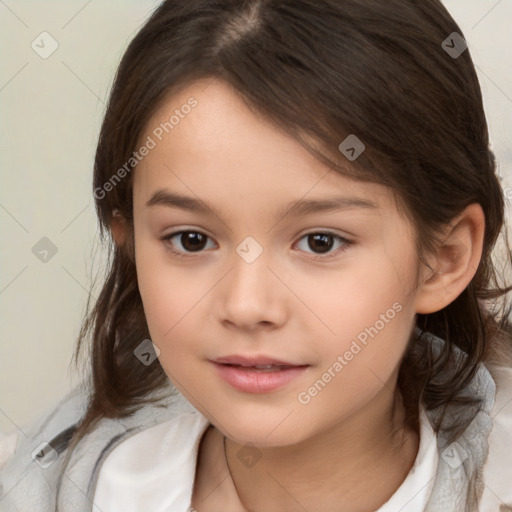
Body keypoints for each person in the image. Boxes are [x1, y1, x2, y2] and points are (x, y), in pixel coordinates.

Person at [2, 1, 512, 511]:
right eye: (191, 240)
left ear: (444, 258)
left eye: (320, 242)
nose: (246, 305)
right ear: (130, 240)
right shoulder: (54, 486)